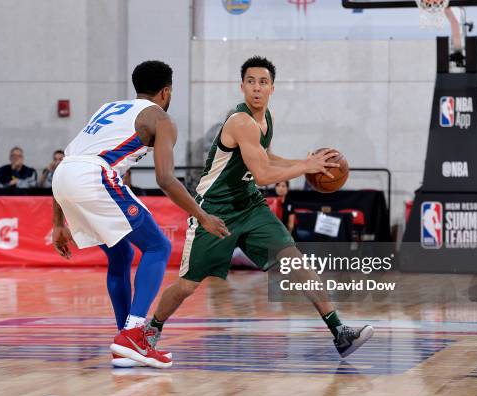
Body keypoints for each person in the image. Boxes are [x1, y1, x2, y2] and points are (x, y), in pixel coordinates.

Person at [145, 56, 373, 363]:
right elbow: (264, 175)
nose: (256, 88)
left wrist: (304, 165)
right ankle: (152, 329)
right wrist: (305, 166)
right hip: (216, 210)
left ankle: (339, 332)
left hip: (250, 205)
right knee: (187, 285)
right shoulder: (240, 122)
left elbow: (266, 158)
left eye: (263, 82)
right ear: (241, 87)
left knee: (295, 262)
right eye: (251, 82)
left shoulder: (267, 120)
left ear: (272, 88)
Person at [51, 60, 228, 369]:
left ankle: (125, 343)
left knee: (119, 256)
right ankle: (134, 334)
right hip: (94, 176)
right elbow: (165, 179)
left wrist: (58, 224)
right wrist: (202, 216)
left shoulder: (108, 108)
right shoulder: (161, 118)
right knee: (158, 247)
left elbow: (69, 157)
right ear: (166, 91)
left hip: (63, 175)